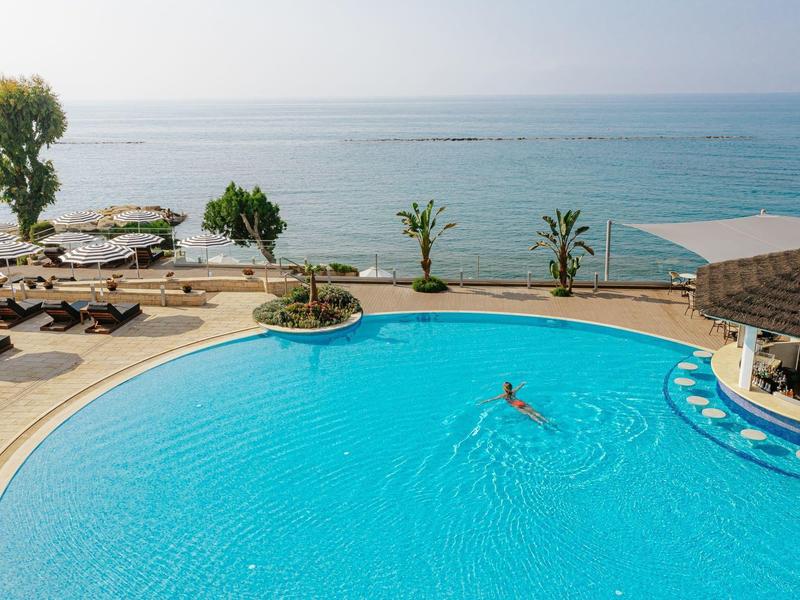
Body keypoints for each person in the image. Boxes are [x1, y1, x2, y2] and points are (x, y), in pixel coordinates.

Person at [479, 381, 546, 424]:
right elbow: (519, 387)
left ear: (504, 389)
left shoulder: (503, 395)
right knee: (534, 412)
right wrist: (523, 383)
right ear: (511, 387)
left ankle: (539, 422)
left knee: (529, 414)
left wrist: (482, 402)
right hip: (520, 402)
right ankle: (545, 420)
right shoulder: (514, 391)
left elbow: (492, 399)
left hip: (515, 404)